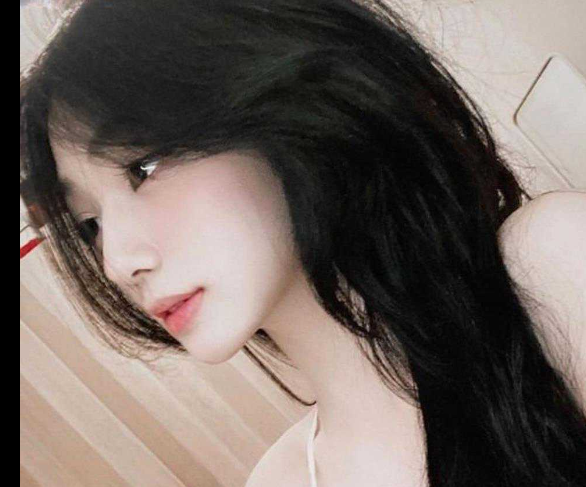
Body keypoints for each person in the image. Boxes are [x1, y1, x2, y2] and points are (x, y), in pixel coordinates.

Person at [20, 1, 586, 486]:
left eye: (142, 167)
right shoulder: (281, 480)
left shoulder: (549, 268)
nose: (118, 263)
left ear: (270, 100)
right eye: (90, 223)